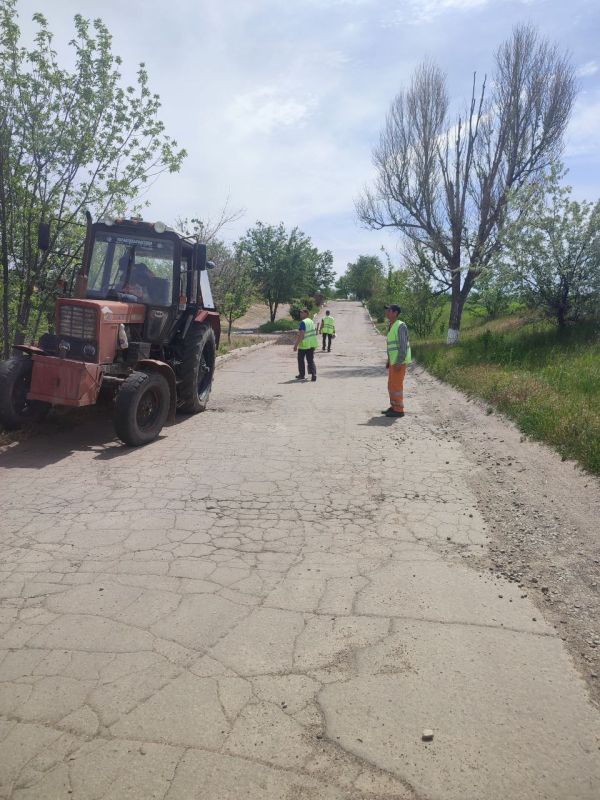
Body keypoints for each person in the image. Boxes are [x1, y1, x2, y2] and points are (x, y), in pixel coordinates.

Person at [382, 304, 411, 418]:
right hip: (393, 362)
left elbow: (403, 346)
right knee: (391, 385)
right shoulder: (391, 325)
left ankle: (399, 410)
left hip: (399, 362)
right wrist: (389, 360)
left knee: (397, 386)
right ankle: (393, 406)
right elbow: (391, 346)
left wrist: (399, 361)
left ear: (395, 313)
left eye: (389, 311)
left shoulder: (400, 326)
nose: (387, 313)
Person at [293, 308, 318, 382]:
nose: (300, 314)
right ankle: (314, 374)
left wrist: (296, 345)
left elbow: (302, 335)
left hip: (304, 345)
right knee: (310, 360)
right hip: (312, 344)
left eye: (302, 313)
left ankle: (302, 375)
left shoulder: (303, 322)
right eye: (300, 313)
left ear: (306, 314)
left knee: (301, 360)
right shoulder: (311, 321)